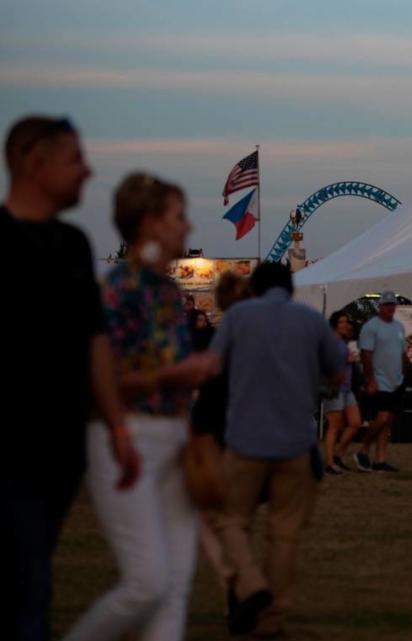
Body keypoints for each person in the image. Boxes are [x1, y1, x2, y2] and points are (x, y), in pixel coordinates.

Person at [65, 173, 220, 641]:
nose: (187, 228)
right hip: (124, 434)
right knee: (148, 583)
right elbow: (100, 380)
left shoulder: (168, 293)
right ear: (149, 222)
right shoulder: (116, 291)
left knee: (174, 588)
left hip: (171, 434)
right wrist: (173, 376)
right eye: (178, 217)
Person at [0, 115, 138, 641]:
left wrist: (118, 429)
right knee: (29, 590)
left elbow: (95, 342)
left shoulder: (75, 245)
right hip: (10, 448)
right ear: (36, 162)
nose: (87, 171)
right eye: (75, 159)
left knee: (35, 578)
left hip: (60, 450)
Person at [210, 261, 344, 637]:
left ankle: (252, 586)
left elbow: (213, 365)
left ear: (255, 288)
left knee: (231, 521)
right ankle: (272, 619)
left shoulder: (238, 318)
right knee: (284, 533)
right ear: (290, 287)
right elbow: (337, 372)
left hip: (245, 441)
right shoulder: (311, 320)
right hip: (295, 443)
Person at [190, 271, 251, 607]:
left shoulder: (222, 336)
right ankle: (241, 575)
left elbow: (210, 388)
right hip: (251, 433)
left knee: (208, 514)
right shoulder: (256, 335)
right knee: (239, 517)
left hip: (217, 430)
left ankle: (230, 574)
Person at [353, 291, 409, 472]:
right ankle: (363, 449)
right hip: (379, 380)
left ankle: (380, 459)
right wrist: (370, 380)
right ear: (380, 306)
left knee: (387, 421)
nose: (390, 308)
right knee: (382, 416)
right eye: (387, 305)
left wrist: (405, 372)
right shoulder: (371, 327)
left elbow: (402, 354)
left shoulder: (399, 328)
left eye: (393, 304)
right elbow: (366, 355)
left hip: (396, 380)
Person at [324, 311, 362, 475]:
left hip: (346, 389)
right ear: (335, 325)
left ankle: (338, 455)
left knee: (355, 423)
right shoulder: (331, 342)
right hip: (334, 388)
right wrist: (346, 360)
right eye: (341, 322)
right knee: (334, 426)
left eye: (346, 321)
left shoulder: (343, 342)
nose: (346, 325)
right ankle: (329, 463)